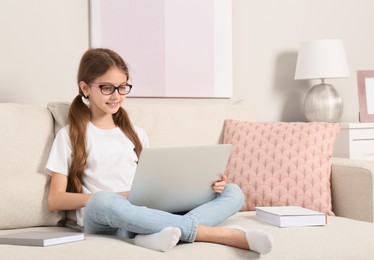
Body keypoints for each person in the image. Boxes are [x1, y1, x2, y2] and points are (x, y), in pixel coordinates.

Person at [46, 48, 274, 254]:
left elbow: (153, 182)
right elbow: (55, 200)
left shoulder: (136, 134)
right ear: (85, 88)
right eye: (107, 88)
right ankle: (217, 234)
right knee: (102, 201)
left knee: (233, 192)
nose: (116, 96)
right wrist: (118, 197)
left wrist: (204, 184)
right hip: (105, 217)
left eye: (122, 87)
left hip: (143, 209)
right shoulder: (70, 135)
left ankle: (148, 235)